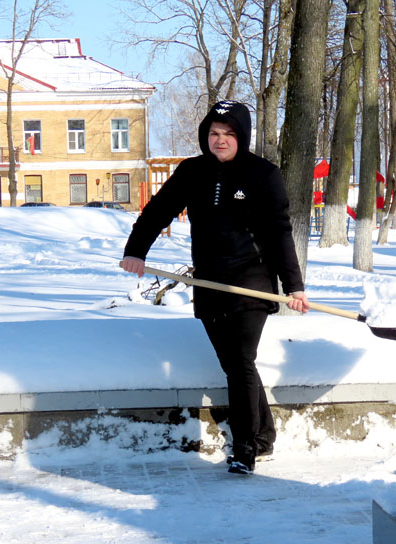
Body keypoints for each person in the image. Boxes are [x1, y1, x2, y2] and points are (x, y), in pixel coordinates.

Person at [122, 100, 309, 475]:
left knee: (239, 362)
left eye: (228, 134)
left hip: (250, 282)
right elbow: (158, 210)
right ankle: (262, 435)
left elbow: (278, 233)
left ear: (242, 136)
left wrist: (294, 285)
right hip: (207, 282)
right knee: (234, 363)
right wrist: (136, 250)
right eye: (213, 133)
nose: (220, 141)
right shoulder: (192, 172)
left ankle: (244, 450)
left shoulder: (263, 175)